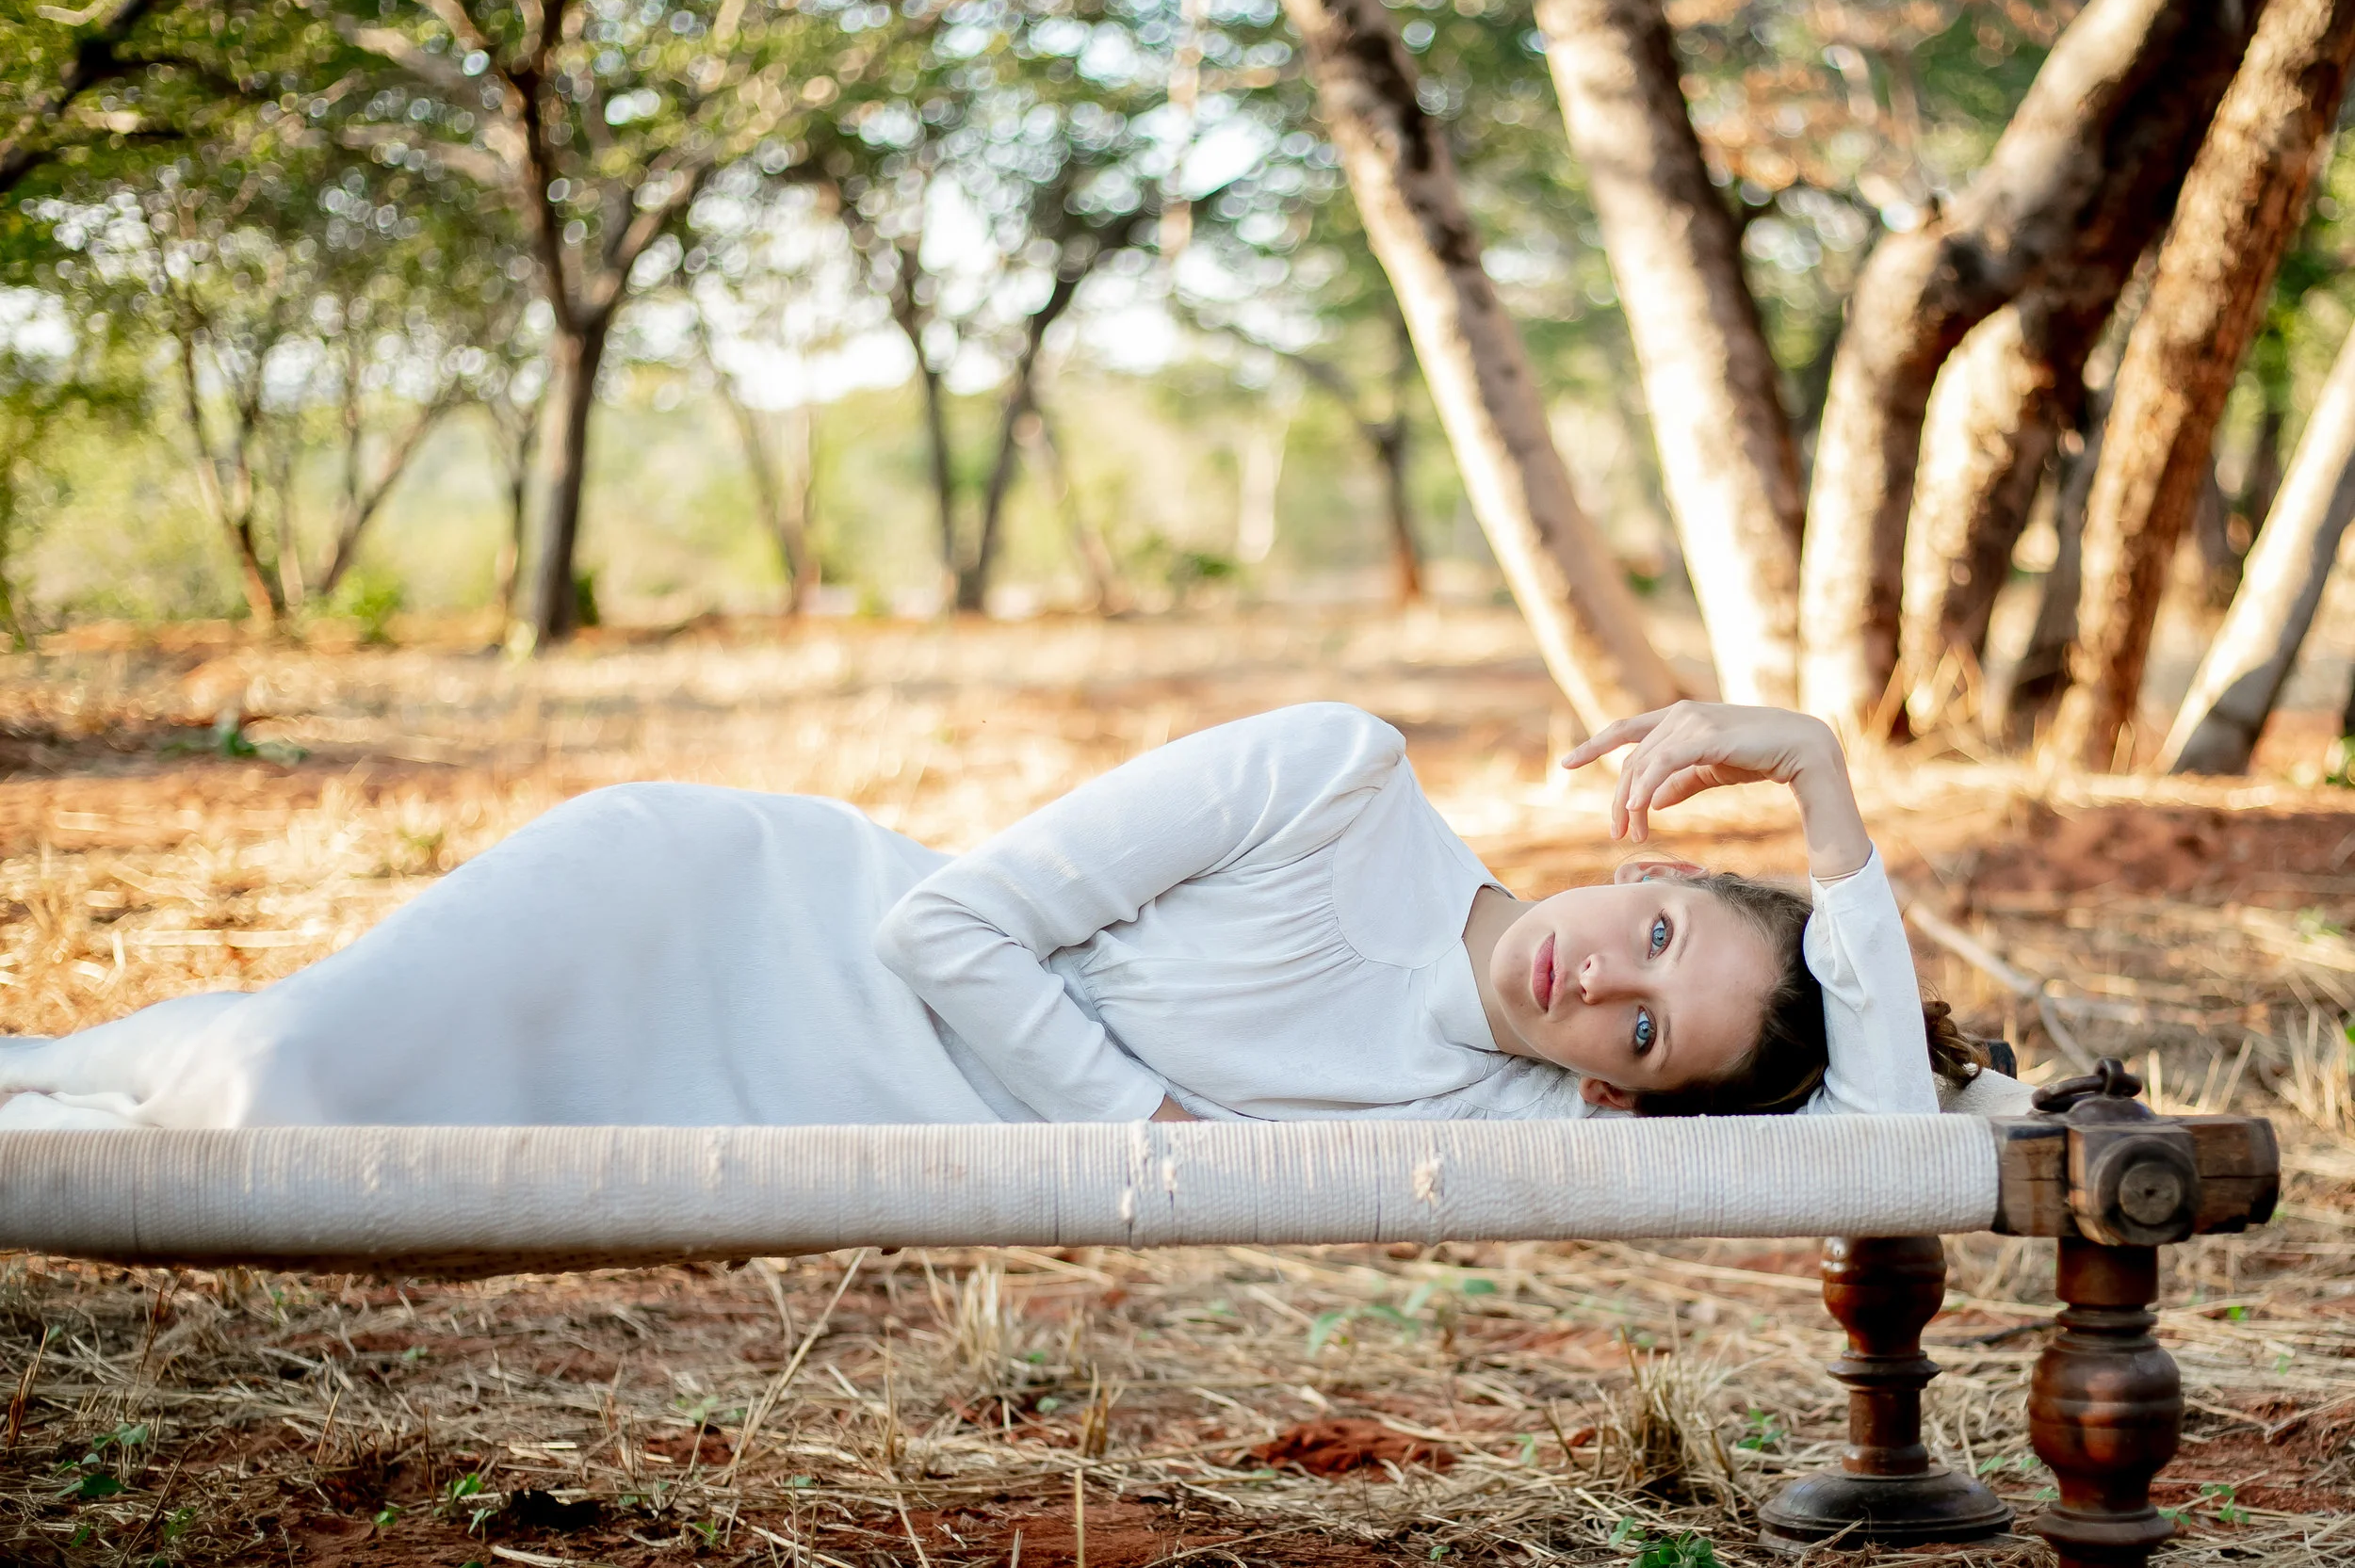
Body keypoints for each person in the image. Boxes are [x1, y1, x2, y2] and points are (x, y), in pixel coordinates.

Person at [0, 701, 1988, 1129]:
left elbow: (1888, 1143)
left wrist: (1828, 797)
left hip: (786, 1110)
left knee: (300, 1119)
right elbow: (941, 933)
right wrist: (1145, 1137)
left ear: (1626, 1095)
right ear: (1637, 869)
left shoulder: (1505, 1122)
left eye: (1648, 1031)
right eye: (1649, 940)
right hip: (725, 924)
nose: (1603, 990)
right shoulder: (1332, 777)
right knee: (272, 1090)